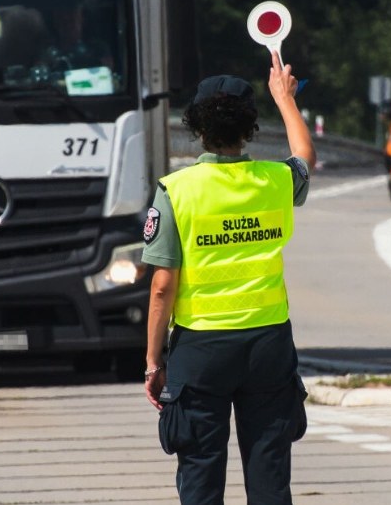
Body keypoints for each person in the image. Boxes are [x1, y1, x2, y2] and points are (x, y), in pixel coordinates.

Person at [142, 52, 316, 505]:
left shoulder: (176, 190)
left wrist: (153, 361)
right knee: (269, 475)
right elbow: (304, 155)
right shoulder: (276, 180)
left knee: (200, 475)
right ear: (250, 128)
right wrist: (285, 99)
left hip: (201, 352)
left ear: (198, 127)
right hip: (268, 346)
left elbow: (163, 285)